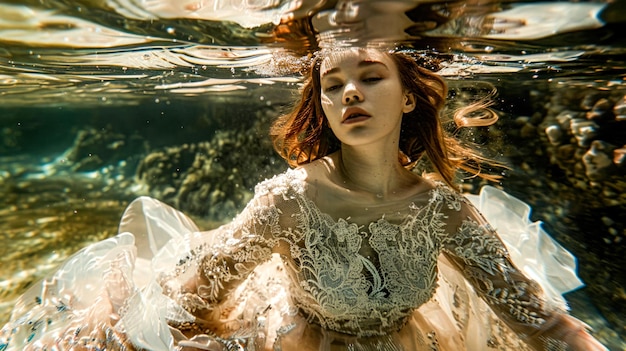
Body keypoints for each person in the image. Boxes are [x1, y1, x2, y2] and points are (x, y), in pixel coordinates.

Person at [0, 48, 608, 351]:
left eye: (370, 77)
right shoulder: (289, 198)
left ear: (408, 98)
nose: (350, 94)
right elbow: (200, 295)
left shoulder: (442, 208)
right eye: (332, 85)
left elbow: (538, 318)